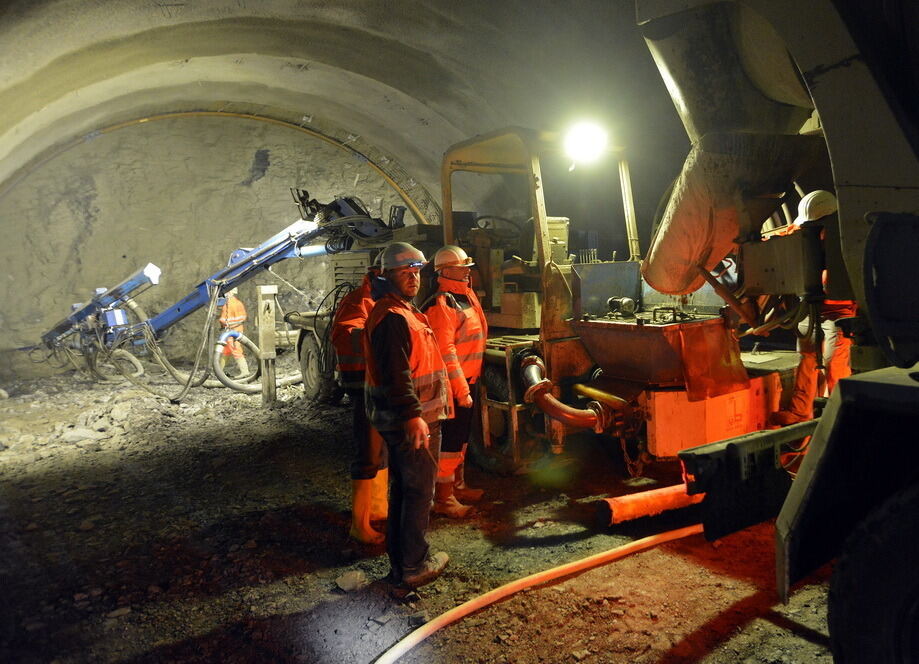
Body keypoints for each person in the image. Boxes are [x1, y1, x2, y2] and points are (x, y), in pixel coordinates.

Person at [364, 241, 452, 588]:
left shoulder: (400, 310)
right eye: (405, 272)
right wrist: (413, 415)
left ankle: (403, 563)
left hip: (410, 416)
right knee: (417, 492)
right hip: (413, 419)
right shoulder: (392, 318)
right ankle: (414, 566)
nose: (414, 278)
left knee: (405, 489)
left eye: (416, 271)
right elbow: (397, 374)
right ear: (387, 275)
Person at [771, 191, 857, 426]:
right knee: (806, 361)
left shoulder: (845, 239)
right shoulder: (804, 235)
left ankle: (842, 420)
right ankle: (800, 413)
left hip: (839, 312)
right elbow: (787, 236)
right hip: (811, 309)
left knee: (835, 368)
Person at [421, 245, 487, 518]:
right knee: (449, 441)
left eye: (467, 267)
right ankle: (444, 498)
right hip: (452, 386)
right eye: (462, 267)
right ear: (445, 271)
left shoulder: (464, 297)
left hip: (468, 380)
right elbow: (447, 353)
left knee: (460, 438)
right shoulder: (442, 304)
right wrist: (461, 390)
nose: (467, 272)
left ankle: (458, 485)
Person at [331, 263, 388, 545]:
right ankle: (360, 524)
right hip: (364, 388)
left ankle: (378, 510)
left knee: (381, 451)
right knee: (367, 452)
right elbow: (344, 335)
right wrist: (378, 335)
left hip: (382, 388)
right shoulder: (358, 300)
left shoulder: (382, 300)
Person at [219, 288, 249, 376]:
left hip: (233, 331)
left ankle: (245, 372)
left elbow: (224, 319)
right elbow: (242, 318)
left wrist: (226, 325)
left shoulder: (230, 304)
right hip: (233, 330)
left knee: (236, 350)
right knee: (227, 351)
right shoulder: (235, 303)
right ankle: (219, 371)